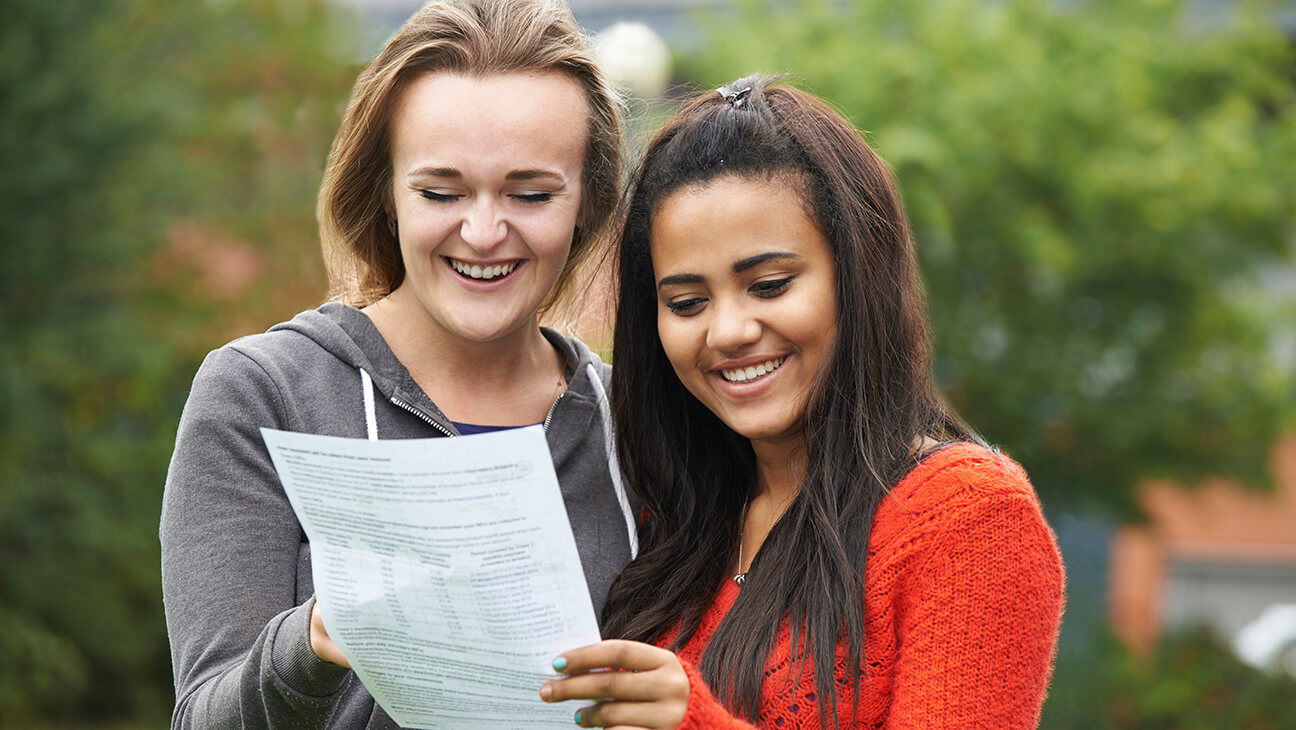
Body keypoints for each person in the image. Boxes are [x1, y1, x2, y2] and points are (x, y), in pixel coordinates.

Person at [160, 1, 635, 727]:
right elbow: (204, 717)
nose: (482, 231)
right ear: (385, 193)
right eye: (441, 192)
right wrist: (313, 641)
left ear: (588, 201)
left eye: (531, 194)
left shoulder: (635, 422)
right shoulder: (263, 396)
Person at [539, 76, 1065, 729]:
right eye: (686, 303)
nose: (728, 331)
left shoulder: (968, 521)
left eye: (769, 285)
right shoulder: (663, 514)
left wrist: (692, 723)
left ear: (857, 274)